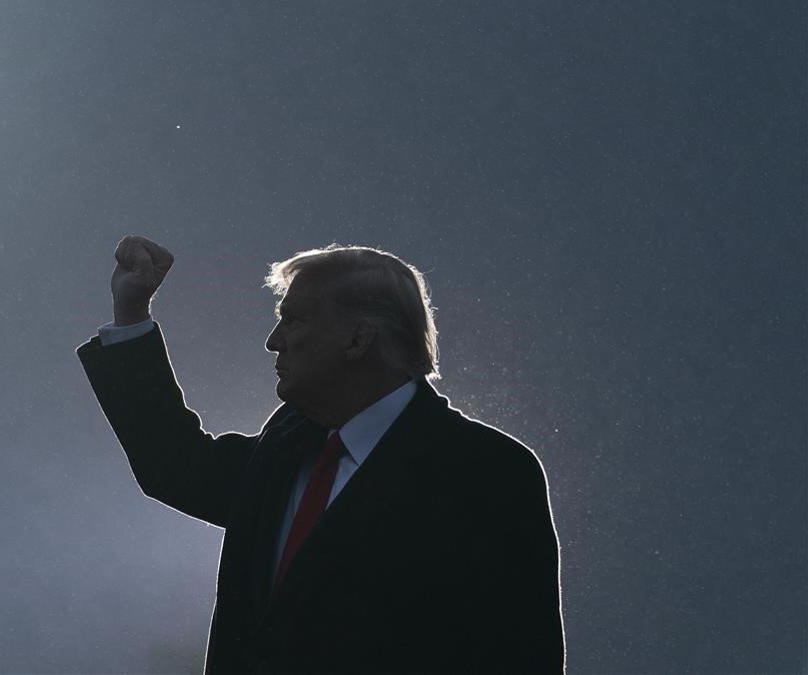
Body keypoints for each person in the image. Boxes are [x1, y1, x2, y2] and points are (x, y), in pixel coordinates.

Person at [77, 235, 566, 674]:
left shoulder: (487, 474)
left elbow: (520, 658)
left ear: (358, 339)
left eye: (293, 319)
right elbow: (179, 466)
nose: (273, 341)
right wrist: (131, 315)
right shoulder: (289, 445)